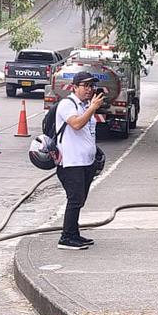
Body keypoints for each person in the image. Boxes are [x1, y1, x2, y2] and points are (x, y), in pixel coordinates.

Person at [56, 71, 105, 250]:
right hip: (71, 162)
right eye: (85, 86)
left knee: (80, 199)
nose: (89, 89)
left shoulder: (85, 106)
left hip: (85, 162)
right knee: (75, 199)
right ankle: (66, 238)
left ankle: (74, 233)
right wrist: (92, 108)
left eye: (91, 86)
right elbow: (76, 125)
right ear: (74, 87)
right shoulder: (67, 104)